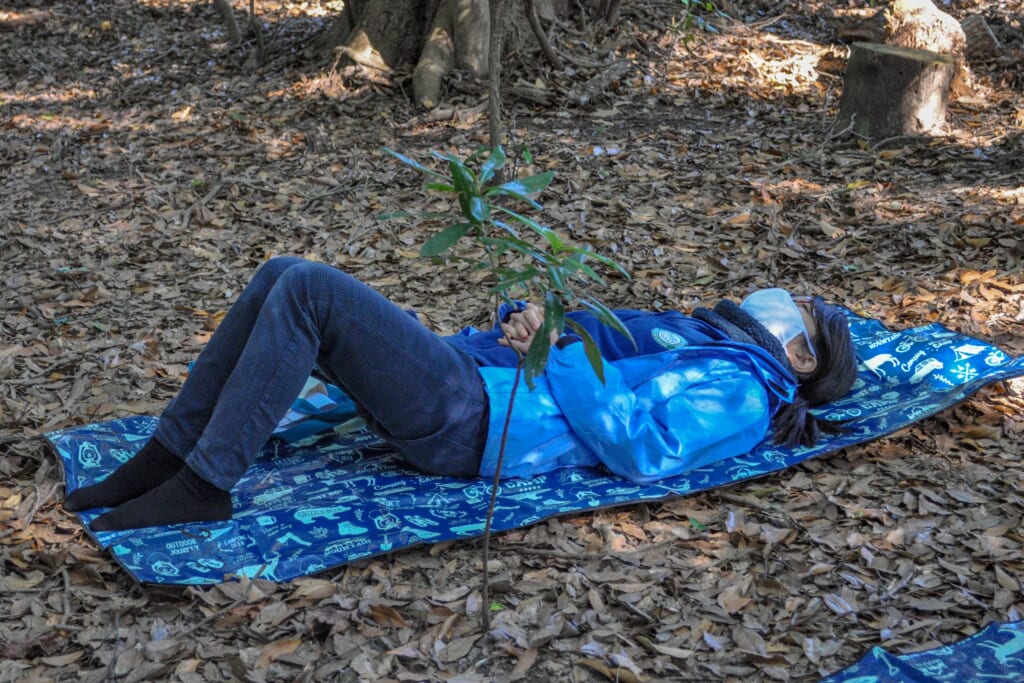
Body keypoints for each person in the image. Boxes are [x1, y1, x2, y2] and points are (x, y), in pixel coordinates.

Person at [64, 257, 858, 531]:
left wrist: (552, 351)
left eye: (806, 316)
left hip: (478, 424)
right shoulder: (706, 339)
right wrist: (531, 326)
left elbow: (641, 449)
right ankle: (168, 456)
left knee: (308, 289)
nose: (790, 299)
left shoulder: (748, 396)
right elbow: (588, 354)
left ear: (798, 352)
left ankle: (204, 483)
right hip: (476, 383)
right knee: (281, 274)